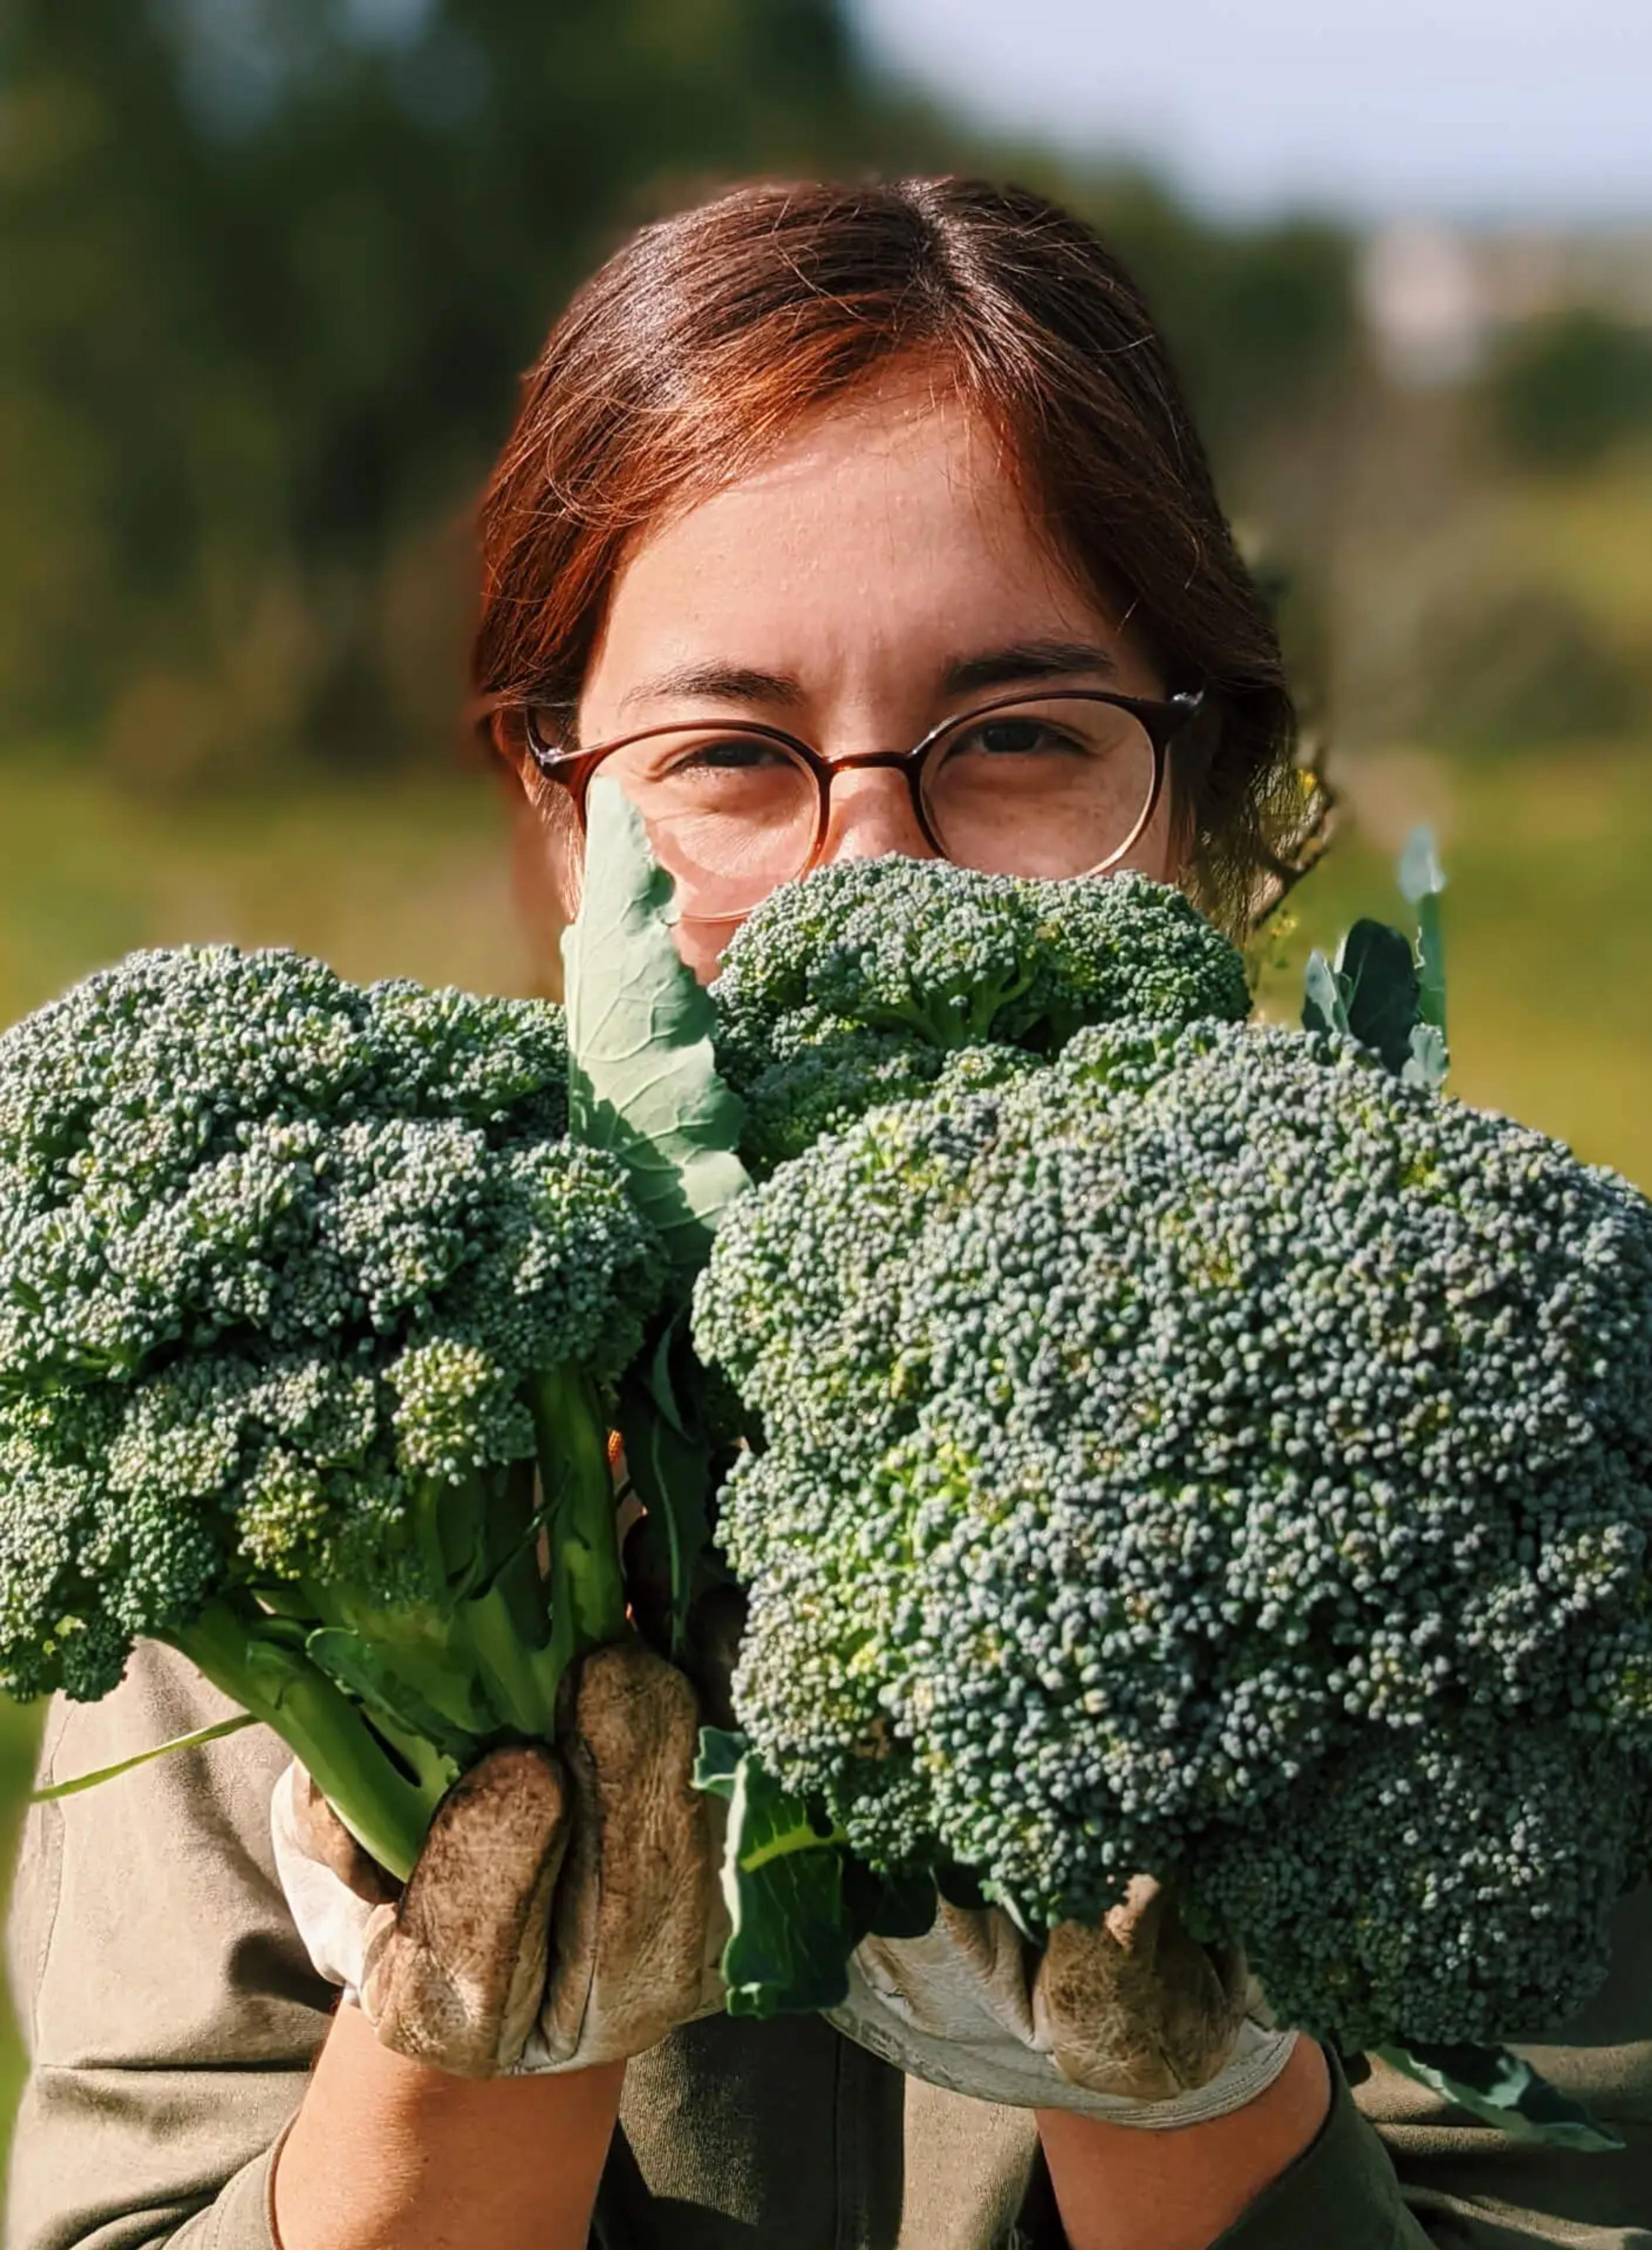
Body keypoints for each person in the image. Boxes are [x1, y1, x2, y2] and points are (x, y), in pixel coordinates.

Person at [6, 176, 1648, 2250]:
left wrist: (1199, 2101)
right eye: (728, 750)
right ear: (560, 809)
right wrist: (456, 2067)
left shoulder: (1484, 1437)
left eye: (1024, 736)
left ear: (1212, 787)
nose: (873, 872)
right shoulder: (301, 1460)